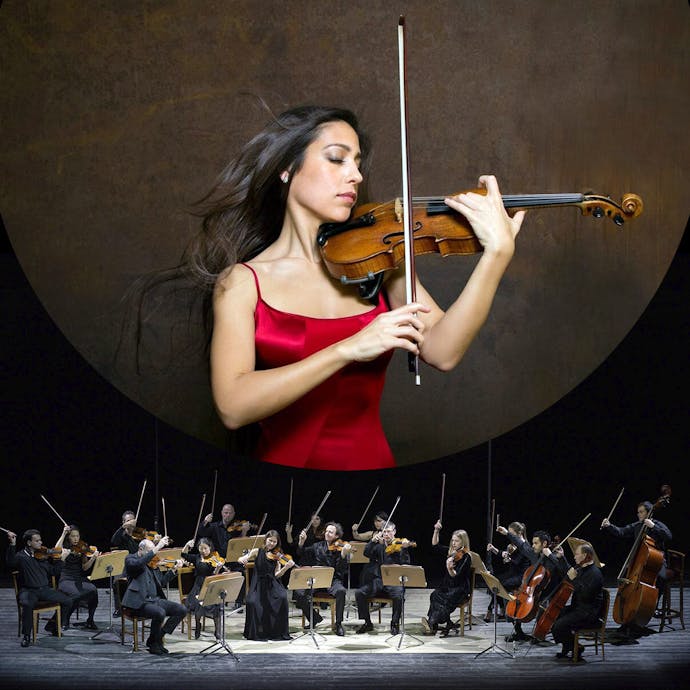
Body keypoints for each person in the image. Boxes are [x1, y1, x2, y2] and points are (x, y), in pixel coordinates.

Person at [186, 104, 524, 470]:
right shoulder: (240, 282)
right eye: (337, 159)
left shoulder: (379, 263)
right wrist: (348, 349)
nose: (356, 176)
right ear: (286, 169)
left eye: (357, 163)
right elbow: (233, 407)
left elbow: (443, 351)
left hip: (372, 467)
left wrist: (497, 255)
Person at [601, 499, 673, 628]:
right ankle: (632, 609)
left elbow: (668, 536)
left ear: (649, 512)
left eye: (641, 512)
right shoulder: (637, 525)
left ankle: (653, 605)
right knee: (628, 576)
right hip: (640, 561)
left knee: (661, 578)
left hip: (657, 561)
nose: (638, 515)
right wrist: (609, 526)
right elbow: (622, 531)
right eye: (638, 512)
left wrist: (653, 527)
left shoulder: (656, 524)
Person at [497, 524, 569, 642]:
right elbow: (521, 545)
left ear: (544, 544)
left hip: (549, 593)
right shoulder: (535, 554)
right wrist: (507, 533)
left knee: (542, 605)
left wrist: (552, 556)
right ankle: (518, 632)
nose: (533, 545)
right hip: (534, 591)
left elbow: (564, 572)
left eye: (536, 543)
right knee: (510, 598)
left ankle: (539, 634)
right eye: (533, 543)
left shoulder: (554, 558)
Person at [6, 529, 73, 647]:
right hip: (28, 590)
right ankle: (27, 635)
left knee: (68, 601)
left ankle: (53, 626)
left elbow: (53, 572)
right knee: (27, 604)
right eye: (37, 541)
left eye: (40, 540)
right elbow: (10, 562)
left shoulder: (42, 557)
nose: (40, 543)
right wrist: (12, 544)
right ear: (29, 543)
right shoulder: (21, 556)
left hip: (44, 590)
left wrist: (62, 559)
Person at [120, 535, 187, 655]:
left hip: (154, 600)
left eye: (153, 550)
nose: (153, 553)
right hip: (138, 602)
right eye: (150, 551)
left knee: (181, 609)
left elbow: (161, 582)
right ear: (141, 550)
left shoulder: (152, 563)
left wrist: (174, 570)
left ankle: (156, 638)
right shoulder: (131, 559)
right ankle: (154, 644)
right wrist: (158, 547)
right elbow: (139, 563)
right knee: (159, 612)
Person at [295, 521, 351, 636]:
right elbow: (301, 553)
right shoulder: (317, 546)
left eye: (331, 532)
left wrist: (343, 555)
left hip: (332, 580)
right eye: (326, 531)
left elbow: (342, 570)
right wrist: (301, 542)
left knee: (341, 591)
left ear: (336, 536)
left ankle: (338, 623)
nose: (327, 533)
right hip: (317, 579)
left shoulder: (340, 548)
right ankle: (314, 618)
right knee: (298, 593)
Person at [355, 521, 411, 635]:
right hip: (379, 580)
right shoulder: (379, 546)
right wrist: (371, 542)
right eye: (384, 531)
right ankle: (367, 622)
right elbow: (366, 553)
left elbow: (406, 563)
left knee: (399, 596)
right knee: (359, 593)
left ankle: (394, 623)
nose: (386, 534)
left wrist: (404, 549)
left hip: (394, 582)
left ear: (394, 532)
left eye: (389, 531)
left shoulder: (400, 547)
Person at [238, 529, 295, 641]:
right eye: (270, 541)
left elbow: (277, 575)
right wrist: (242, 559)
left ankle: (275, 631)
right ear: (265, 540)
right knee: (252, 602)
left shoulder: (277, 555)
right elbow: (242, 558)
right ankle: (258, 632)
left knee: (283, 598)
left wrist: (286, 567)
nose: (272, 544)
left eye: (275, 542)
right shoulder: (257, 551)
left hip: (272, 584)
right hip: (258, 584)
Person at [551, 543, 604, 660]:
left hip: (588, 613)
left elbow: (586, 595)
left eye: (576, 554)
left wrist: (574, 579)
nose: (574, 557)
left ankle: (575, 647)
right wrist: (562, 557)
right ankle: (568, 645)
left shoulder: (595, 573)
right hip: (578, 608)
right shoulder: (582, 568)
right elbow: (569, 571)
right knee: (554, 615)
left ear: (585, 555)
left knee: (559, 626)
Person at [196, 503, 253, 607]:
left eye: (230, 513)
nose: (228, 515)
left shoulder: (237, 528)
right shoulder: (214, 526)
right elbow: (201, 532)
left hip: (233, 560)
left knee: (241, 572)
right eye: (226, 513)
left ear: (233, 514)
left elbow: (242, 544)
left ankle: (238, 602)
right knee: (215, 572)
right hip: (218, 561)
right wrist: (205, 521)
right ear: (222, 513)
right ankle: (216, 602)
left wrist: (244, 532)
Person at [421, 521, 472, 636]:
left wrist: (449, 568)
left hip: (460, 588)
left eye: (457, 541)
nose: (453, 543)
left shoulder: (466, 556)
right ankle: (439, 623)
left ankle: (432, 623)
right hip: (449, 585)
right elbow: (435, 546)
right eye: (452, 540)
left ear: (463, 542)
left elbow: (456, 575)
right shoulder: (452, 552)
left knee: (444, 599)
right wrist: (436, 530)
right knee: (434, 594)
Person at [55, 524, 100, 630]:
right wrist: (63, 534)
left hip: (77, 579)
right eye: (73, 536)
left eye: (77, 536)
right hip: (66, 579)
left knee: (93, 590)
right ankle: (65, 619)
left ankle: (90, 620)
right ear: (68, 537)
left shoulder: (82, 547)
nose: (75, 539)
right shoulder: (64, 547)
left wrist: (93, 558)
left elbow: (84, 568)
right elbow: (56, 550)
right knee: (76, 594)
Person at [485, 521, 530, 622]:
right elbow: (505, 554)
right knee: (495, 581)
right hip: (513, 573)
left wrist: (508, 558)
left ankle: (491, 608)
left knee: (499, 584)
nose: (510, 537)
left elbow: (516, 561)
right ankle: (501, 609)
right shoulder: (515, 545)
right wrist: (494, 550)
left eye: (511, 534)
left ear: (519, 534)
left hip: (521, 577)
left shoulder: (525, 546)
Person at [179, 537, 223, 639]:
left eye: (205, 549)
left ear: (210, 548)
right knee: (198, 604)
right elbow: (183, 554)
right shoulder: (197, 557)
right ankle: (198, 624)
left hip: (210, 587)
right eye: (200, 548)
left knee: (216, 606)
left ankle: (217, 631)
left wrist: (218, 568)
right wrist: (186, 545)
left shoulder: (214, 558)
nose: (203, 551)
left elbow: (214, 574)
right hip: (198, 587)